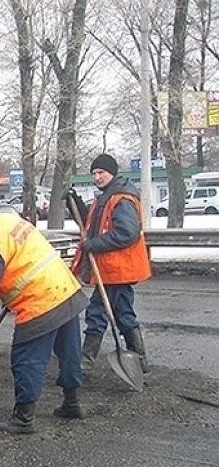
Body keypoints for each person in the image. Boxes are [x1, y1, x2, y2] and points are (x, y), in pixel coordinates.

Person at [0, 201, 89, 434]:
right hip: (66, 289)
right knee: (69, 352)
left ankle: (24, 419)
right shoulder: (6, 220)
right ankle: (72, 403)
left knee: (27, 360)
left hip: (41, 300)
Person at [70, 154, 152, 373]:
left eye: (101, 173)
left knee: (97, 313)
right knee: (123, 313)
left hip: (117, 268)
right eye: (94, 173)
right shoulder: (106, 197)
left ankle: (85, 363)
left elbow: (127, 233)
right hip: (112, 269)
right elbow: (94, 221)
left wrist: (94, 245)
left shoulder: (122, 199)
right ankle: (140, 360)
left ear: (112, 173)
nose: (97, 177)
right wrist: (76, 204)